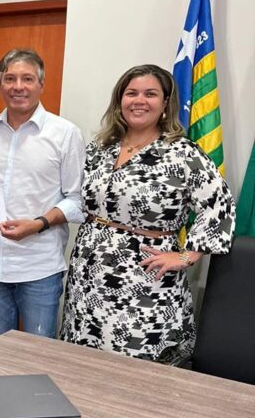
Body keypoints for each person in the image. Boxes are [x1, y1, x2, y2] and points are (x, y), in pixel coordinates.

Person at [60, 64, 235, 363]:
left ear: (165, 103)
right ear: (120, 100)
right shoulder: (100, 148)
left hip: (144, 279)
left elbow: (219, 204)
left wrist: (186, 256)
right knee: (83, 359)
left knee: (133, 364)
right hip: (88, 275)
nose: (139, 101)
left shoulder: (183, 153)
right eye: (131, 93)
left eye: (150, 94)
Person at [0, 48, 85, 339]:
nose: (18, 86)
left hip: (40, 269)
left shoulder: (65, 133)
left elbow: (77, 201)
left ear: (41, 84)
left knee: (38, 356)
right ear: (0, 84)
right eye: (10, 78)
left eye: (27, 78)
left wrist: (37, 224)